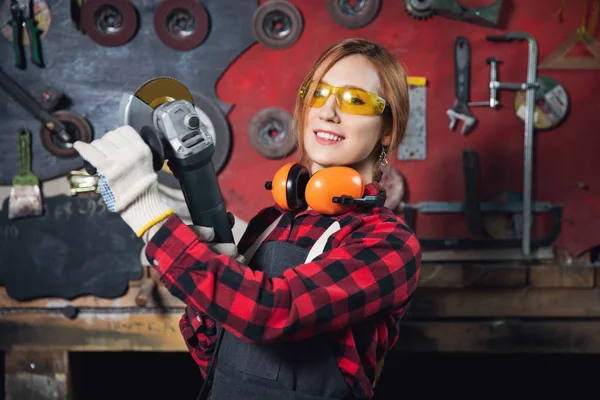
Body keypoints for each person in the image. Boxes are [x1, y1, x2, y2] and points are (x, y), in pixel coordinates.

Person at [74, 37, 422, 400]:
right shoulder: (270, 221)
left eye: (354, 100)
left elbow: (276, 312)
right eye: (317, 93)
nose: (328, 110)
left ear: (388, 129)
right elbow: (215, 353)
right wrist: (214, 264)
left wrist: (146, 212)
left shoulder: (388, 242)